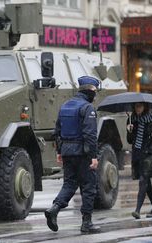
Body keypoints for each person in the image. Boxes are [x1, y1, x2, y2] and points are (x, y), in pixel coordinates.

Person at [44, 76, 101, 234]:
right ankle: (87, 223)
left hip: (67, 152)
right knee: (89, 186)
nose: (95, 97)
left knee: (69, 184)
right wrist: (94, 157)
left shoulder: (65, 106)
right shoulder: (87, 108)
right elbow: (90, 135)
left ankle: (54, 209)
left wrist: (59, 152)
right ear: (90, 92)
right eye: (94, 93)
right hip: (83, 154)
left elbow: (57, 132)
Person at [127, 102, 152, 219]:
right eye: (136, 106)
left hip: (149, 155)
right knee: (147, 183)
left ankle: (137, 210)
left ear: (145, 107)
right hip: (137, 154)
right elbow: (129, 140)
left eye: (140, 106)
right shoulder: (131, 119)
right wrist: (129, 131)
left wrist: (150, 150)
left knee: (143, 180)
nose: (138, 108)